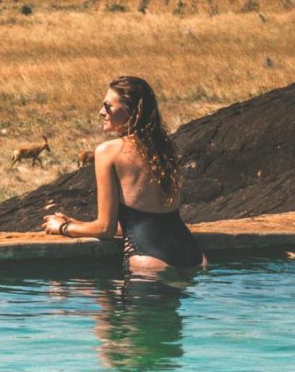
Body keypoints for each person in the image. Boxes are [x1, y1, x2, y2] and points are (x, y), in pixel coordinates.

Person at [42, 76, 206, 273]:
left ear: (131, 111)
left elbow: (105, 229)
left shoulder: (109, 151)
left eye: (108, 106)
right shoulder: (164, 148)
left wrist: (62, 228)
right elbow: (147, 222)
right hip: (192, 254)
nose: (101, 112)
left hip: (150, 261)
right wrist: (79, 224)